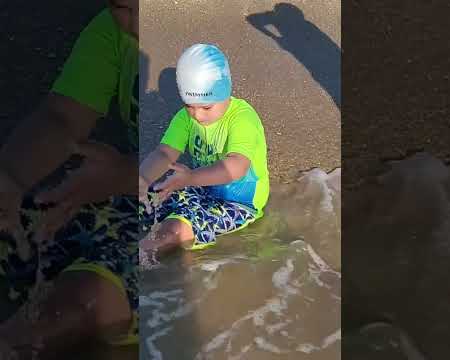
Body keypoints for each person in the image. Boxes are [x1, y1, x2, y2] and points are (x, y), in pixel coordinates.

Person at [0, 0, 139, 358]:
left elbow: (233, 163)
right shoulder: (112, 30)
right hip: (127, 194)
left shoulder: (215, 40)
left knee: (88, 301)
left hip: (196, 210)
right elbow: (61, 119)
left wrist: (126, 173)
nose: (129, 21)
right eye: (121, 7)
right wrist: (10, 178)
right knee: (20, 225)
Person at [139, 43, 269, 260]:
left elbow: (236, 167)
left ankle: (131, 264)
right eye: (190, 105)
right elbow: (164, 153)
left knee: (173, 231)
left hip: (238, 203)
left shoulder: (243, 118)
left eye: (206, 107)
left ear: (226, 91)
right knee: (141, 203)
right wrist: (142, 178)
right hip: (198, 186)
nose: (197, 115)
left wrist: (190, 178)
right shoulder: (185, 117)